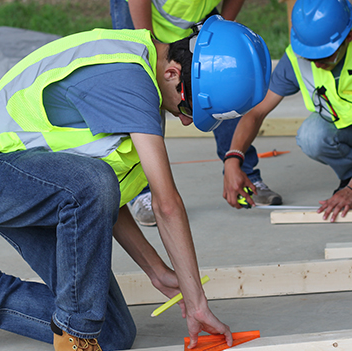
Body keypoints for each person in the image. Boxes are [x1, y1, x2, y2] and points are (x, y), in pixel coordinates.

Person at [0, 15, 271, 351]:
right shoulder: (130, 79)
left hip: (38, 188)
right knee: (94, 187)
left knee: (114, 333)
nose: (187, 120)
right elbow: (165, 204)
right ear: (173, 73)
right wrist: (196, 303)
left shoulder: (144, 80)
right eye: (189, 108)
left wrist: (157, 270)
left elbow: (104, 202)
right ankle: (72, 342)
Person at [222, 0, 352, 222]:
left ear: (348, 37)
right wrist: (233, 159)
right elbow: (256, 113)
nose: (317, 63)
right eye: (310, 56)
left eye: (325, 54)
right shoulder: (296, 57)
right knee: (310, 134)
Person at [110, 0, 282, 227]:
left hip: (199, 22)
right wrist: (148, 45)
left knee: (221, 86)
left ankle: (243, 172)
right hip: (145, 18)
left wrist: (221, 36)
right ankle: (143, 191)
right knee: (143, 92)